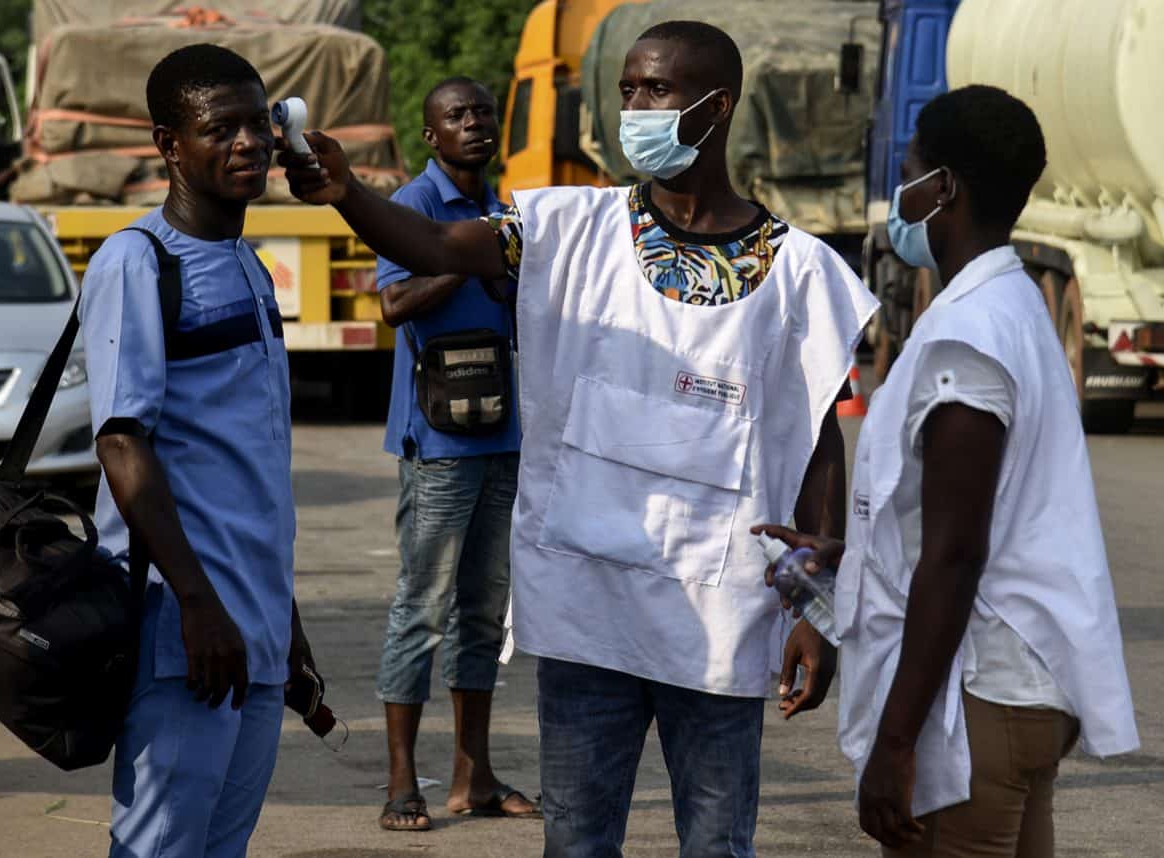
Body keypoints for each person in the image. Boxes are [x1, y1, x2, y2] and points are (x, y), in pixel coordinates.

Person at [282, 20, 877, 857]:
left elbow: (818, 442)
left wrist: (817, 610)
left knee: (717, 846)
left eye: (658, 91)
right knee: (579, 846)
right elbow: (433, 242)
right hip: (587, 616)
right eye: (628, 89)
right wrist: (347, 191)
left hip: (719, 619)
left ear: (719, 106)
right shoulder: (565, 229)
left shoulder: (801, 274)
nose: (635, 106)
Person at [758, 85, 1140, 857]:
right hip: (1020, 690)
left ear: (944, 188)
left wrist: (895, 746)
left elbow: (957, 551)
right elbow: (963, 512)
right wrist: (853, 557)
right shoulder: (1010, 304)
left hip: (979, 702)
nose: (899, 193)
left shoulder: (970, 334)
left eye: (909, 170)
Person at [79, 44, 315, 858]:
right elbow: (121, 440)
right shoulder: (137, 263)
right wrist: (197, 603)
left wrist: (284, 624)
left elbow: (246, 469)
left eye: (260, 124)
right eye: (222, 128)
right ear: (169, 144)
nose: (249, 142)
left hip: (250, 627)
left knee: (219, 846)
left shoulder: (250, 266)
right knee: (161, 847)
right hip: (182, 628)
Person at [373, 76, 534, 832]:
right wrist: (467, 260)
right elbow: (393, 304)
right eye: (456, 116)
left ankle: (475, 777)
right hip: (437, 441)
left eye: (481, 112)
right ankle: (402, 782)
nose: (474, 123)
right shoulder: (414, 206)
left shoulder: (509, 208)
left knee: (482, 613)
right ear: (431, 136)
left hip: (502, 429)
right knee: (420, 609)